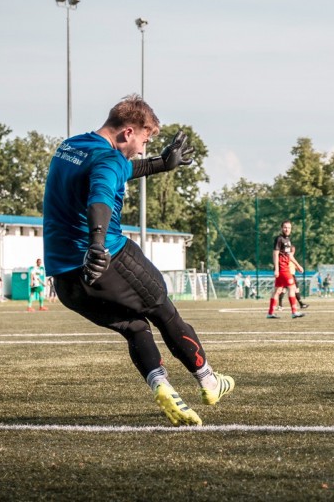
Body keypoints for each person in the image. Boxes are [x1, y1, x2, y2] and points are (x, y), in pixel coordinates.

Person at [43, 94, 233, 427]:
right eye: (144, 140)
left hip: (66, 280)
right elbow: (101, 195)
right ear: (128, 132)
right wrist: (98, 246)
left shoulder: (70, 148)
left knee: (134, 327)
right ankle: (209, 381)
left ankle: (162, 386)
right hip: (109, 260)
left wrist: (162, 162)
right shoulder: (110, 161)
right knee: (165, 312)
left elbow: (119, 169)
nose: (143, 149)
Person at [266, 220, 305, 319]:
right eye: (285, 227)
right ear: (281, 228)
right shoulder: (279, 239)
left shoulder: (288, 240)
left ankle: (270, 313)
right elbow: (275, 254)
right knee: (292, 288)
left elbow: (289, 256)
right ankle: (294, 312)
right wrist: (276, 269)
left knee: (277, 290)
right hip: (283, 268)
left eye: (289, 227)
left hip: (285, 267)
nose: (287, 229)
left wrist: (298, 265)